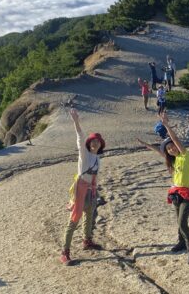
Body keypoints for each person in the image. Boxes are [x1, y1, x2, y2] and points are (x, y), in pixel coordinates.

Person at [60, 108, 105, 265]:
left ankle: (87, 241)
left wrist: (96, 191)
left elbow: (95, 176)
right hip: (80, 189)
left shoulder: (98, 158)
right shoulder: (84, 154)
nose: (95, 143)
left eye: (98, 141)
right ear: (89, 143)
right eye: (93, 141)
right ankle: (64, 252)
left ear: (100, 145)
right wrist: (76, 122)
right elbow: (80, 137)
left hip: (91, 191)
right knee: (74, 220)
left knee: (89, 216)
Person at [159, 112, 189, 264]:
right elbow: (161, 152)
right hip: (176, 194)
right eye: (168, 149)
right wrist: (147, 145)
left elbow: (175, 139)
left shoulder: (184, 156)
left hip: (188, 193)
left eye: (172, 147)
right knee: (179, 221)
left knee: (183, 222)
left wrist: (166, 125)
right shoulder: (174, 162)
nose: (171, 149)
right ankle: (181, 242)